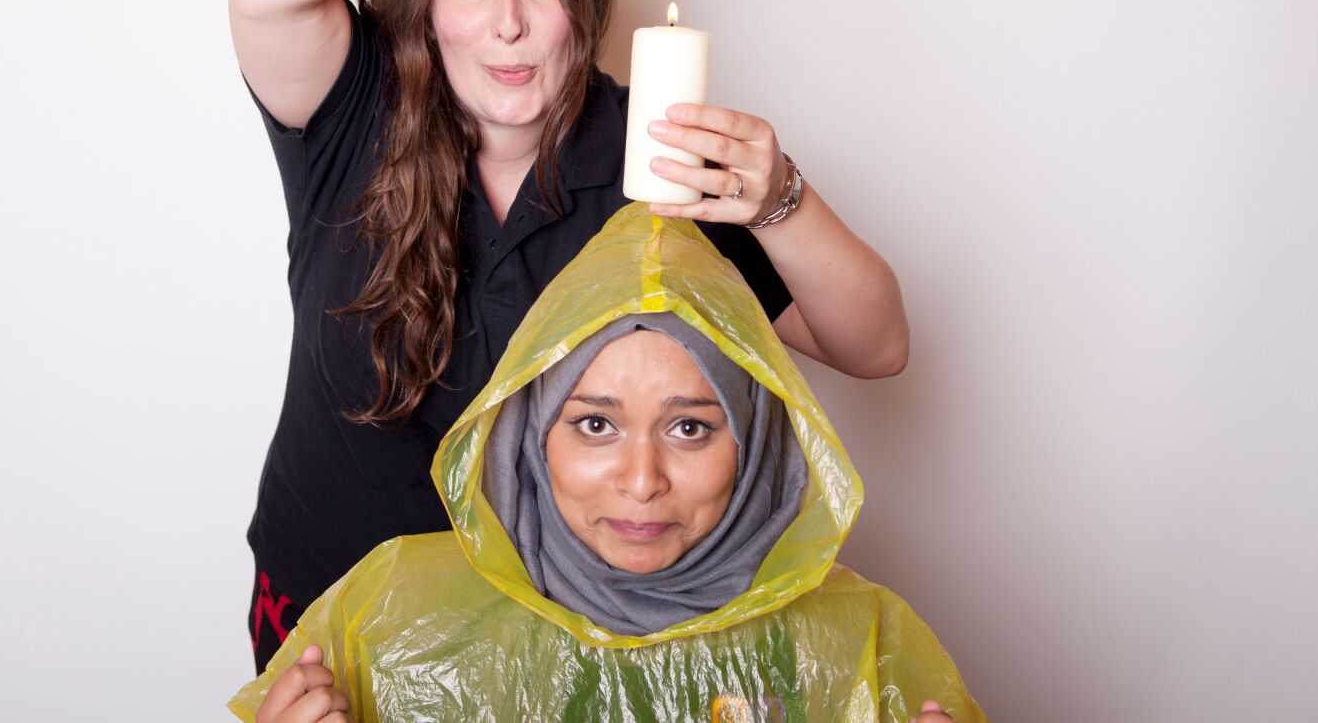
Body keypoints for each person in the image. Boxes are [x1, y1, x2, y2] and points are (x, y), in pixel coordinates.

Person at [224, 0, 911, 671]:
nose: (507, 22)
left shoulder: (649, 155)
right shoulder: (356, 111)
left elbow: (875, 345)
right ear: (425, 6)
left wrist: (781, 197)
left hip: (546, 646)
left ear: (583, 3)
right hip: (330, 626)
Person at [229, 204, 984, 723]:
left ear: (755, 447)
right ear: (532, 437)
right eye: (595, 423)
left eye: (690, 426)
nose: (642, 479)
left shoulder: (863, 643)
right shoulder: (384, 615)